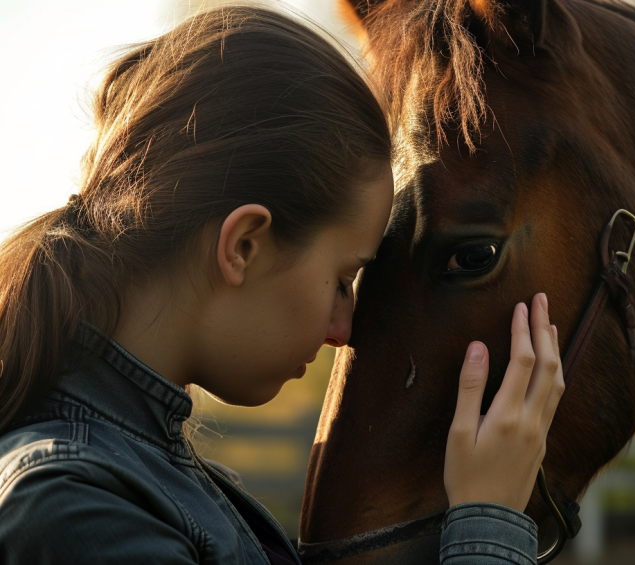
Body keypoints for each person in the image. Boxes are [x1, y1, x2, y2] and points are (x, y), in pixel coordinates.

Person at [0, 6, 565, 565]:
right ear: (245, 245)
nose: (343, 331)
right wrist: (488, 528)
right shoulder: (73, 505)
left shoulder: (138, 473)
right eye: (344, 279)